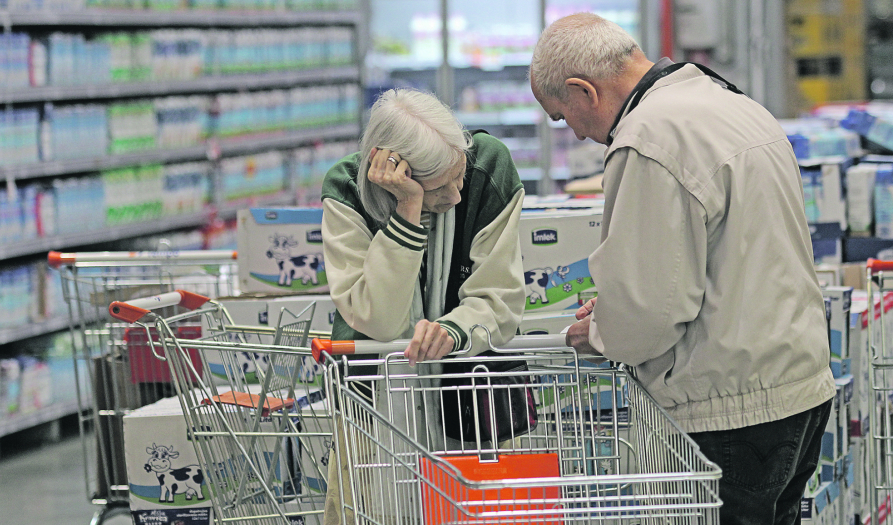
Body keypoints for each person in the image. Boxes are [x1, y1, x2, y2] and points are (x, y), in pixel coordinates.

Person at [530, 13, 835, 525]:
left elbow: (648, 313)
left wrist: (602, 330)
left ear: (584, 91)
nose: (578, 135)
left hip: (726, 411)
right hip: (798, 387)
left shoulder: (647, 140)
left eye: (564, 117)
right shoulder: (734, 105)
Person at [319, 88, 526, 523]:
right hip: (373, 398)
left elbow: (500, 297)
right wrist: (408, 210)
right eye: (438, 187)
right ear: (399, 174)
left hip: (471, 393)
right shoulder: (345, 191)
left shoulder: (487, 167)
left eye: (458, 177)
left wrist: (453, 330)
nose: (454, 195)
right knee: (374, 510)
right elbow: (379, 319)